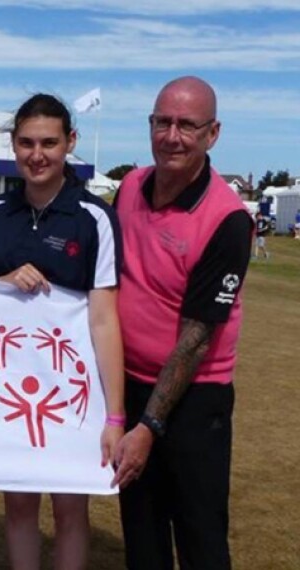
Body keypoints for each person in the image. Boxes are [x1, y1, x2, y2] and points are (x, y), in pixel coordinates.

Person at [0, 93, 125, 570]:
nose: (37, 154)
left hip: (73, 392)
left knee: (70, 506)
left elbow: (104, 318)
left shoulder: (94, 217)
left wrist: (116, 416)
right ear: (13, 145)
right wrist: (3, 280)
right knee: (18, 504)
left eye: (49, 143)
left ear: (70, 143)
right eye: (26, 143)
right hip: (6, 386)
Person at [111, 76, 252, 570]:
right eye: (162, 122)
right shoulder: (129, 186)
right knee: (141, 529)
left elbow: (196, 340)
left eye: (187, 125)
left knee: (200, 535)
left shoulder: (227, 219)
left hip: (196, 399)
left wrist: (149, 425)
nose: (172, 135)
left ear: (212, 134)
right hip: (131, 384)